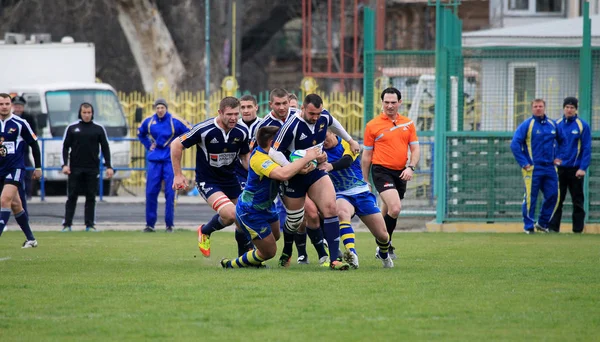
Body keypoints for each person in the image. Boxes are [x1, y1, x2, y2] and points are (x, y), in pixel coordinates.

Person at [269, 93, 361, 270]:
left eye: (318, 114)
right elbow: (274, 152)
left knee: (330, 208)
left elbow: (335, 124)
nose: (316, 117)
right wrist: (292, 167)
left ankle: (335, 259)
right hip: (295, 177)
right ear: (303, 109)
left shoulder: (323, 116)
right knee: (295, 221)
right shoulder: (292, 126)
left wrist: (350, 140)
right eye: (312, 114)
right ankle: (288, 250)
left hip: (315, 171)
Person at [221, 126, 318, 268]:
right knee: (269, 252)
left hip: (267, 207)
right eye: (280, 139)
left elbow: (290, 168)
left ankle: (254, 255)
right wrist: (307, 158)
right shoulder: (259, 159)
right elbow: (283, 174)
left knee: (275, 236)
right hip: (250, 211)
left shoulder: (274, 155)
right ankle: (231, 265)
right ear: (273, 142)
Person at [255, 89, 329, 267]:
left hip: (304, 171)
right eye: (277, 104)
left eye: (285, 103)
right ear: (270, 104)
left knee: (311, 213)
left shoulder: (301, 117)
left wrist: (319, 156)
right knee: (295, 219)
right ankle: (291, 252)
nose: (282, 107)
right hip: (281, 175)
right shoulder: (265, 125)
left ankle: (322, 255)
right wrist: (289, 168)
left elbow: (317, 140)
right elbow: (259, 151)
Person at [171, 97, 251, 258]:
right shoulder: (204, 129)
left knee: (243, 218)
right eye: (229, 114)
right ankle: (205, 231)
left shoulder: (242, 131)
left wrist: (258, 172)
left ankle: (244, 259)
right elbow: (176, 145)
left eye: (237, 114)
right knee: (231, 214)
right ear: (220, 113)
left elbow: (244, 157)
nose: (234, 118)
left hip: (231, 179)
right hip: (208, 181)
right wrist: (178, 175)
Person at [320, 130, 394, 268]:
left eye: (325, 137)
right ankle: (352, 253)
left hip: (362, 193)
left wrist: (330, 166)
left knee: (383, 235)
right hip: (341, 194)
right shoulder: (319, 151)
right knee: (342, 212)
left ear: (332, 132)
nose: (323, 141)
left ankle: (383, 253)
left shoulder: (348, 143)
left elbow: (346, 161)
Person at [361, 87, 420, 259]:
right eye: (386, 102)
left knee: (387, 210)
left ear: (400, 103)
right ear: (382, 103)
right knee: (395, 208)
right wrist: (365, 180)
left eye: (393, 102)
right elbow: (366, 156)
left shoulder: (408, 124)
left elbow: (415, 149)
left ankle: (385, 244)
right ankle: (383, 247)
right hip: (381, 171)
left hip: (401, 172)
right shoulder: (372, 125)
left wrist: (411, 167)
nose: (390, 106)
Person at [137, 98, 190, 233]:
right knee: (150, 192)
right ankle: (150, 225)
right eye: (158, 108)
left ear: (166, 108)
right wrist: (149, 145)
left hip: (169, 160)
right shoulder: (149, 121)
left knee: (170, 192)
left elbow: (190, 130)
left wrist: (179, 145)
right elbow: (140, 133)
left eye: (162, 107)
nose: (160, 110)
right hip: (154, 160)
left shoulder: (174, 121)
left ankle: (169, 225)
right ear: (155, 109)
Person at [61, 103, 114, 232]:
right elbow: (65, 147)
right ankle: (67, 224)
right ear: (80, 113)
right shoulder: (72, 128)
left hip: (92, 168)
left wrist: (108, 166)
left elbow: (105, 148)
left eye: (89, 112)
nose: (86, 115)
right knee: (72, 196)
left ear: (92, 113)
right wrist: (65, 164)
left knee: (91, 197)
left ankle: (89, 225)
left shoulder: (98, 129)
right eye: (84, 112)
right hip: (75, 168)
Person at [510, 99, 559, 234]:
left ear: (545, 108)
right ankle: (528, 226)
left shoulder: (552, 124)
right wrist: (524, 162)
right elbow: (515, 144)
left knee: (554, 195)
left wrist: (559, 157)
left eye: (541, 106)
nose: (538, 108)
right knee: (531, 197)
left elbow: (563, 141)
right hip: (532, 168)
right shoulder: (527, 124)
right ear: (532, 108)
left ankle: (542, 224)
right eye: (536, 106)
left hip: (550, 168)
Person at [0, 93, 42, 248]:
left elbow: (34, 144)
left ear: (10, 105)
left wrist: (38, 167)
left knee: (4, 200)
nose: (4, 106)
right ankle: (31, 239)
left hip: (15, 168)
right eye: (1, 104)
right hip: (1, 169)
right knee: (16, 205)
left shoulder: (20, 123)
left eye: (6, 103)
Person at [549, 97, 591, 233]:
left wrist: (582, 168)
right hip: (559, 169)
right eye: (567, 107)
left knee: (577, 200)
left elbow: (586, 148)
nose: (569, 110)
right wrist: (553, 159)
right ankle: (553, 228)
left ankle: (578, 230)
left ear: (576, 109)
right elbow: (551, 145)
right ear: (563, 108)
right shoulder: (556, 124)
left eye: (572, 107)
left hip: (575, 169)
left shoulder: (582, 125)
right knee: (557, 200)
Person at [11, 96, 36, 202]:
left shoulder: (28, 118)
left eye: (20, 106)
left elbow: (34, 133)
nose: (18, 108)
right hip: (11, 151)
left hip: (24, 150)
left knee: (27, 172)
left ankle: (28, 193)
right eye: (16, 106)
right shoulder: (9, 117)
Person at [234, 94, 262, 189]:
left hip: (261, 172)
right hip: (238, 172)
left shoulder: (265, 125)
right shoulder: (233, 126)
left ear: (256, 107)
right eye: (243, 107)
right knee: (242, 201)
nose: (246, 111)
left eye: (249, 107)